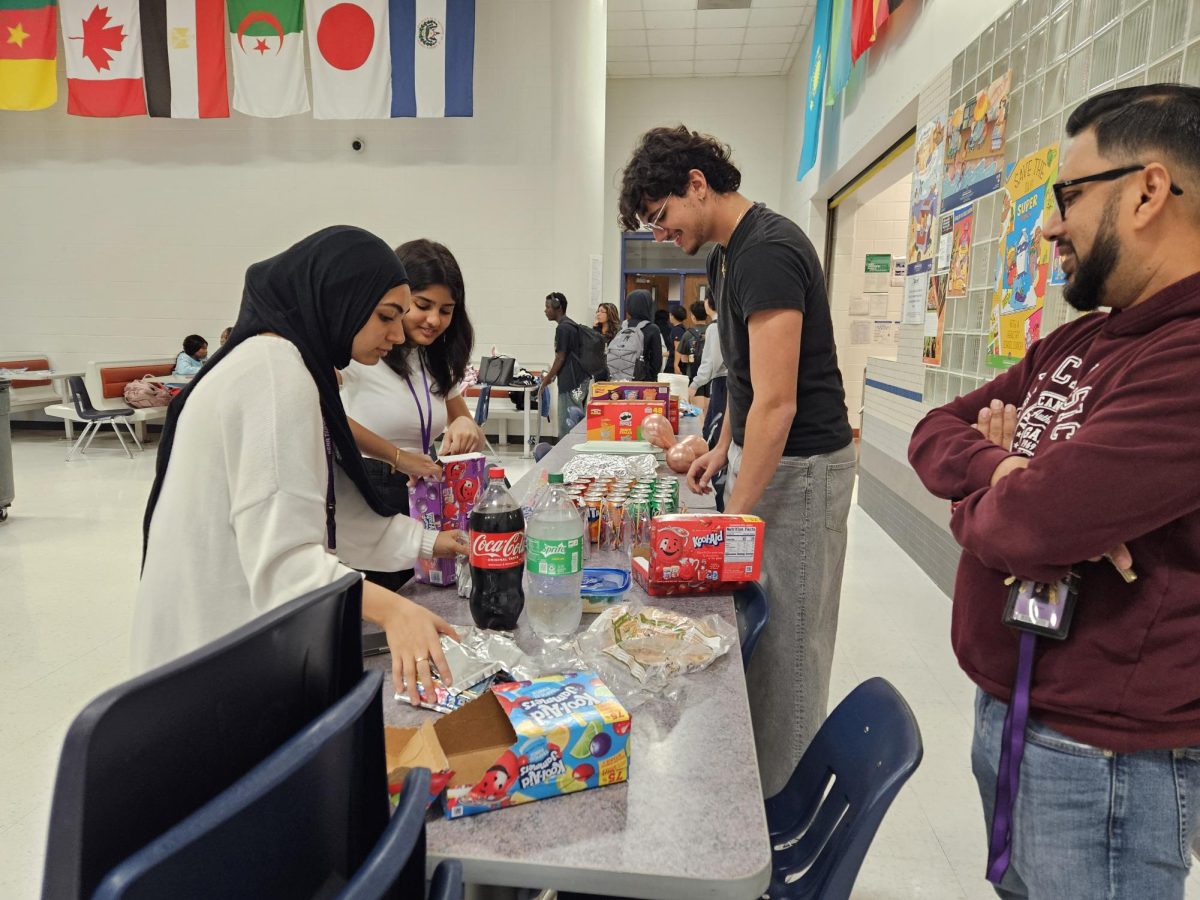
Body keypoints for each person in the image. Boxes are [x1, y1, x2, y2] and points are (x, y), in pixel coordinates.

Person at [908, 84, 1200, 899]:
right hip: (1014, 715)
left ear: (1147, 191)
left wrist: (1019, 505)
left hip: (1105, 762)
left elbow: (1032, 528)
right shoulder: (1078, 341)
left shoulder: (1185, 357)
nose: (1047, 227)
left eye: (1066, 197)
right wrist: (1005, 474)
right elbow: (933, 432)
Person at [136, 226, 467, 706]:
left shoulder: (287, 364)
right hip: (212, 657)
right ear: (339, 300)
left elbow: (325, 514)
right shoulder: (274, 374)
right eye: (385, 317)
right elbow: (286, 564)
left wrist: (433, 542)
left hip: (231, 652)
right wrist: (394, 611)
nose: (397, 335)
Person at [619, 125, 855, 797]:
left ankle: (784, 818)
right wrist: (721, 450)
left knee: (792, 654)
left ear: (698, 183)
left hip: (804, 469)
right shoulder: (726, 258)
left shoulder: (770, 250)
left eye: (662, 217)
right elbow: (747, 384)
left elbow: (780, 405)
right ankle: (753, 789)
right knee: (757, 629)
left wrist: (730, 524)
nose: (661, 235)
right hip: (764, 453)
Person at [341, 238, 484, 592]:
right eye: (422, 305)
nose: (434, 320)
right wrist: (397, 457)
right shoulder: (360, 350)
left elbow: (465, 424)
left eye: (446, 310)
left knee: (430, 597)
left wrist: (465, 424)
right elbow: (326, 415)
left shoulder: (434, 357)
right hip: (368, 495)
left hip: (422, 494)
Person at [539, 292, 589, 439]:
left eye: (548, 307)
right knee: (576, 422)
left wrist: (547, 378)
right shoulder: (570, 325)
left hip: (570, 382)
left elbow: (560, 357)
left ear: (557, 308)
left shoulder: (563, 328)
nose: (545, 310)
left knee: (567, 425)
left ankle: (565, 458)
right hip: (580, 381)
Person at [622, 289, 664, 378]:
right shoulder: (652, 329)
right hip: (643, 379)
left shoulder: (622, 326)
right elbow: (657, 361)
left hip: (620, 377)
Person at [679, 298, 710, 391]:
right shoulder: (713, 330)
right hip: (711, 374)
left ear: (693, 316)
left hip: (693, 373)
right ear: (707, 315)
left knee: (694, 402)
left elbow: (683, 359)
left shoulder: (688, 334)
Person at [667, 305, 687, 375]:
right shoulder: (682, 328)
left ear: (672, 316)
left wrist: (676, 365)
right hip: (679, 363)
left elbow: (678, 347)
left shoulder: (677, 330)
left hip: (674, 364)